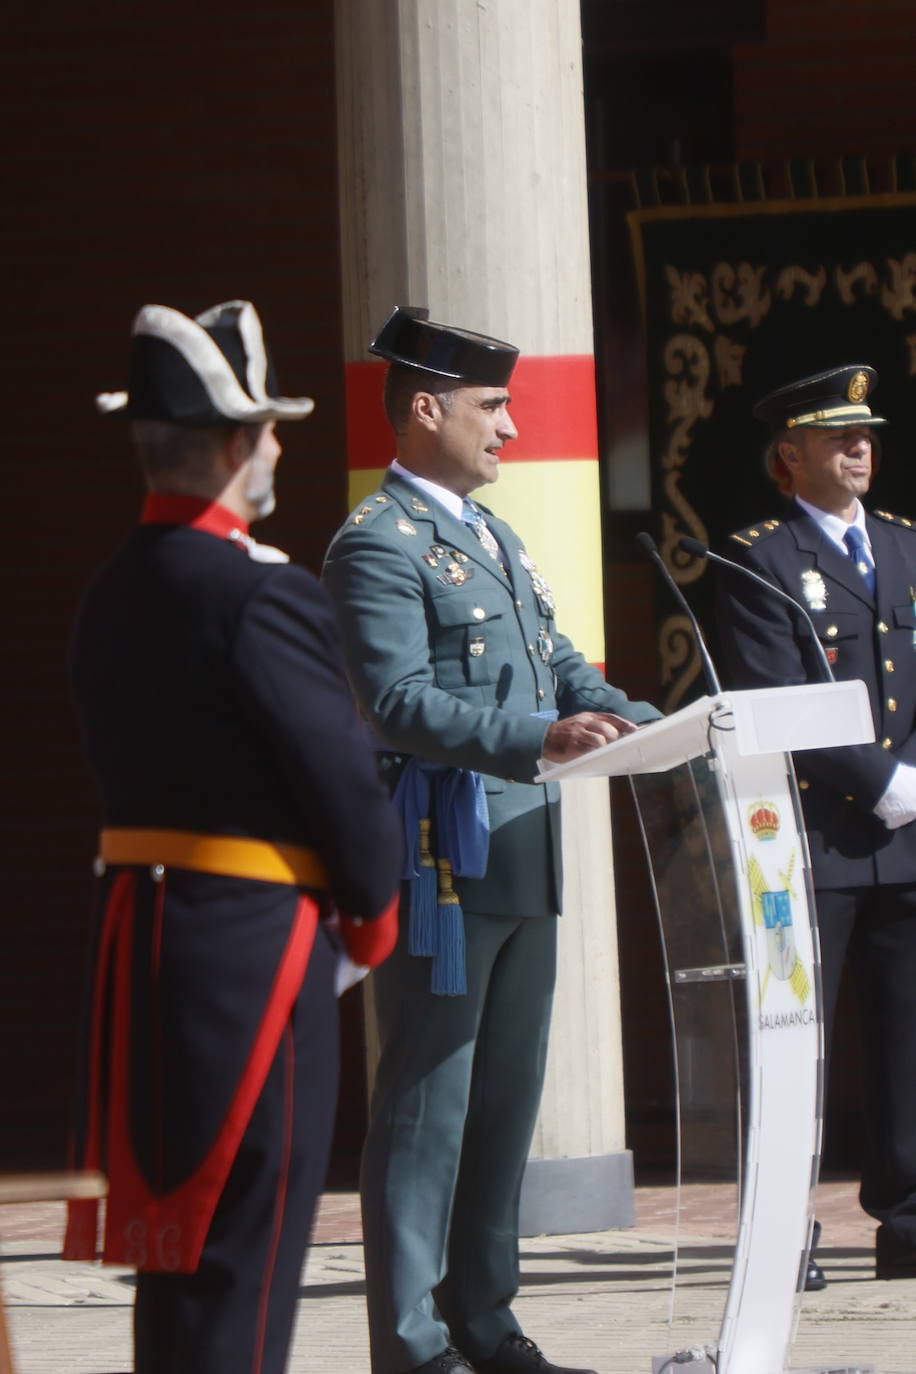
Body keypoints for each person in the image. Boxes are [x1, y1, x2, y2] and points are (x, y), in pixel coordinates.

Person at [63, 299, 403, 1374]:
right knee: (247, 1263)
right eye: (264, 426)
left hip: (141, 938)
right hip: (255, 942)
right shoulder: (259, 595)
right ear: (225, 445)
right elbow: (345, 784)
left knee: (176, 1263)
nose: (279, 444)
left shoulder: (108, 592)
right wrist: (373, 913)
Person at [322, 305, 660, 1374]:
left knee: (504, 1106)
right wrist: (544, 734)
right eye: (491, 406)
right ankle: (415, 1344)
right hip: (443, 862)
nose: (510, 427)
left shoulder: (491, 537)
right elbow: (394, 702)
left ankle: (487, 1320)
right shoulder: (376, 546)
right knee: (429, 1111)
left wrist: (640, 719)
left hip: (522, 852)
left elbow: (559, 661)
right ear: (425, 410)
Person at [715, 364, 916, 1285]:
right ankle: (778, 1230)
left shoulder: (908, 547)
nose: (860, 447)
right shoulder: (759, 558)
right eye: (840, 438)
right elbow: (778, 694)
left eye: (866, 434)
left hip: (908, 833)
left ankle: (907, 1219)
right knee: (794, 1038)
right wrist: (885, 781)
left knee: (907, 1034)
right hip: (810, 842)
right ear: (789, 456)